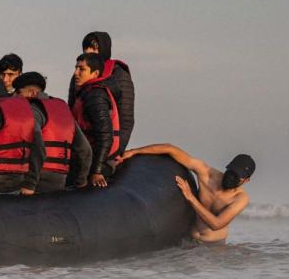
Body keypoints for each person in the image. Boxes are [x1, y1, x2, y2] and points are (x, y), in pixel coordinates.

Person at [117, 146, 255, 243]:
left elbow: (216, 224)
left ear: (247, 180)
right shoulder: (207, 174)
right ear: (227, 166)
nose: (231, 177)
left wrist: (191, 198)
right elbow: (171, 149)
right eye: (231, 172)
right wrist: (135, 152)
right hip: (189, 241)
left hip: (213, 248)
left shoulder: (240, 199)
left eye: (237, 176)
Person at [14, 72, 91, 192]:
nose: (14, 97)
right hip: (59, 180)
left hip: (36, 180)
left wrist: (29, 184)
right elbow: (85, 151)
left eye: (18, 92)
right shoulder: (64, 110)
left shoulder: (32, 111)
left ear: (32, 93)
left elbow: (38, 148)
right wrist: (81, 182)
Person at [69, 32, 136, 153]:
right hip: (81, 147)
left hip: (106, 146)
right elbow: (71, 108)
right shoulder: (78, 76)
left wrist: (117, 151)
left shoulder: (119, 75)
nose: (89, 52)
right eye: (86, 49)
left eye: (94, 49)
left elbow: (126, 118)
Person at [71, 53, 120, 188]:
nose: (76, 73)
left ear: (95, 73)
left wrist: (97, 171)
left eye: (81, 69)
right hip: (88, 157)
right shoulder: (87, 93)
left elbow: (105, 135)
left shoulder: (95, 96)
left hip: (96, 161)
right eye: (76, 68)